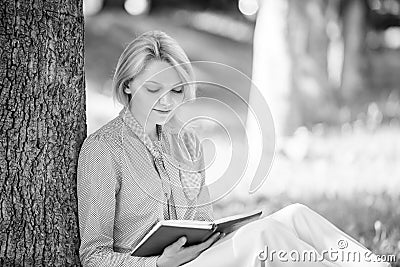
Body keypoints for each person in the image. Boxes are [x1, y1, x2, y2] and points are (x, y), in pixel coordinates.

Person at [77, 31, 390, 267]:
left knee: (296, 215)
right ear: (128, 84)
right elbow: (93, 255)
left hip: (200, 259)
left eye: (176, 90)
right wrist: (157, 263)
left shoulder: (186, 141)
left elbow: (201, 223)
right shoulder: (103, 150)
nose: (168, 102)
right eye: (154, 89)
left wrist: (219, 232)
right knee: (262, 235)